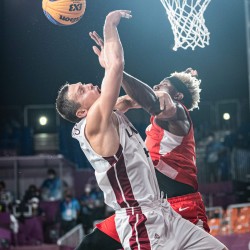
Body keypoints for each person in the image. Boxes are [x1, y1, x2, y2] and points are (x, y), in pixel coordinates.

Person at [56, 10, 227, 250]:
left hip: (165, 208)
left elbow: (136, 99)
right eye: (81, 91)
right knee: (91, 244)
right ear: (81, 112)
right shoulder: (95, 120)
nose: (86, 85)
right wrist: (110, 23)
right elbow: (117, 69)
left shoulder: (132, 111)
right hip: (139, 215)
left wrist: (157, 94)